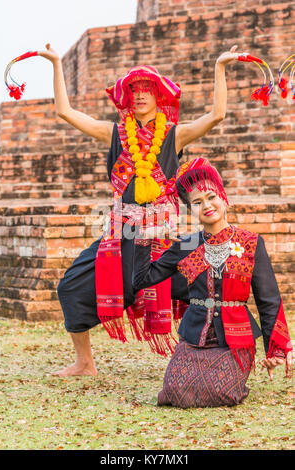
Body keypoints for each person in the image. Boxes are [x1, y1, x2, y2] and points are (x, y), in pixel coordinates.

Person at [38, 43, 239, 377]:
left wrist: (220, 67)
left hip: (164, 232)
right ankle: (85, 363)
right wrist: (57, 64)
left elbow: (216, 115)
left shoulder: (173, 135)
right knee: (71, 285)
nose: (141, 93)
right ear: (127, 97)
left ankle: (221, 353)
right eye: (134, 89)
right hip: (121, 231)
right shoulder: (114, 133)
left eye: (147, 88)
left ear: (159, 95)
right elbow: (66, 112)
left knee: (205, 283)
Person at [132, 157, 292, 408]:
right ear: (190, 210)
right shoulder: (186, 244)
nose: (206, 205)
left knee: (221, 394)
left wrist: (276, 350)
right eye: (197, 202)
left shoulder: (250, 243)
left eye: (211, 197)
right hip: (194, 336)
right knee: (175, 394)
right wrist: (145, 238)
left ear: (223, 196)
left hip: (234, 339)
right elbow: (142, 279)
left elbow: (268, 300)